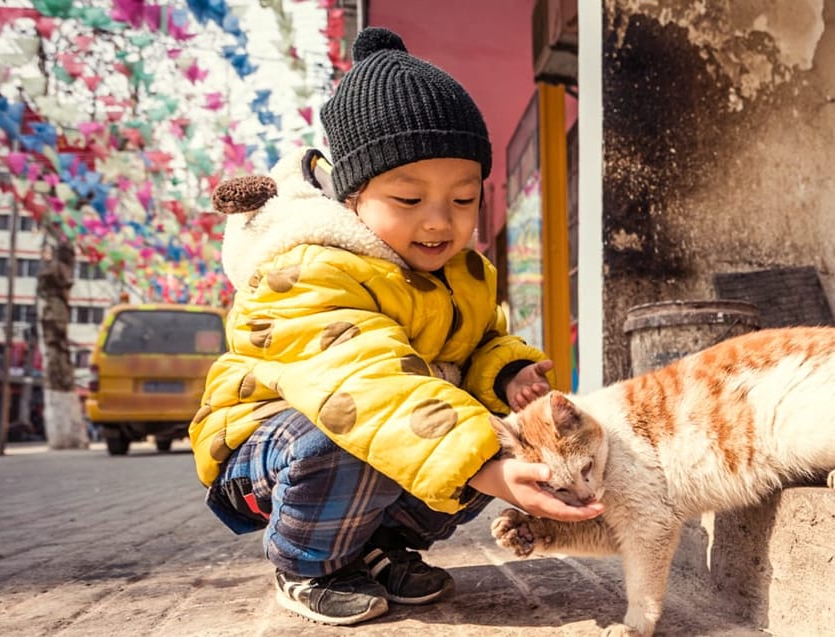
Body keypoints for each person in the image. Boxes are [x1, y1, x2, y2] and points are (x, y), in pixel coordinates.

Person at [189, 26, 603, 627]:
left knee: (483, 431)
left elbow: (483, 338)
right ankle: (306, 564)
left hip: (384, 420)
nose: (440, 221)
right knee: (373, 436)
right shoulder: (304, 270)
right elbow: (365, 384)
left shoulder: (465, 274)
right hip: (271, 447)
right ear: (351, 197)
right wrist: (483, 467)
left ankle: (375, 549)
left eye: (463, 200)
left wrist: (508, 371)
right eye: (409, 200)